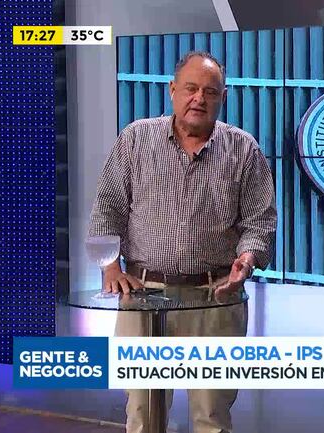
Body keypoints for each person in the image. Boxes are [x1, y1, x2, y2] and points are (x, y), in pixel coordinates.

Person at [88, 51, 277, 433]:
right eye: (191, 88)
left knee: (211, 417)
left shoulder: (244, 149)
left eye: (210, 91)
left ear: (223, 97)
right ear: (172, 90)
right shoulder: (136, 139)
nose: (199, 99)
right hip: (143, 298)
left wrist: (246, 260)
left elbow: (260, 222)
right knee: (143, 416)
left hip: (216, 299)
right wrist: (110, 267)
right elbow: (107, 207)